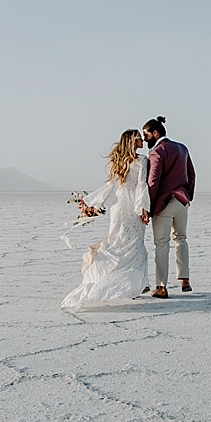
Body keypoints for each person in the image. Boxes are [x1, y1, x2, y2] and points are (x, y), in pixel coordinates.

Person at [61, 129, 150, 311]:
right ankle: (129, 286)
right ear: (132, 142)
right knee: (135, 247)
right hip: (132, 207)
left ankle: (125, 284)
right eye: (139, 139)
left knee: (117, 245)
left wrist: (96, 202)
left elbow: (109, 186)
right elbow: (142, 185)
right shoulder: (142, 160)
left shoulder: (118, 161)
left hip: (117, 208)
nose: (142, 140)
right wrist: (142, 208)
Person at [143, 116, 196, 299]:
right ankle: (185, 279)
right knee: (181, 238)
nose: (144, 140)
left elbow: (153, 181)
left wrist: (148, 206)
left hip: (164, 203)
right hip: (182, 201)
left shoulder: (158, 151)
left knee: (161, 244)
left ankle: (161, 286)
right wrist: (187, 196)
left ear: (155, 133)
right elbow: (191, 174)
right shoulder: (182, 148)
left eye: (146, 135)